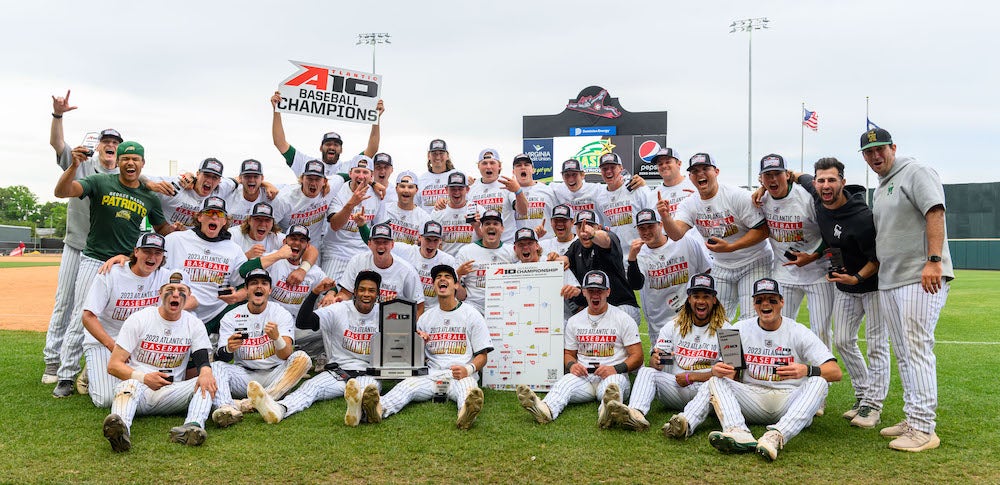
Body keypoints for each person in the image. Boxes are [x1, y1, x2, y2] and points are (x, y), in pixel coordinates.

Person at [52, 140, 172, 398]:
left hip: (128, 262)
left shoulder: (149, 196)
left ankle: (108, 368)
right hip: (95, 258)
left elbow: (163, 229)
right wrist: (73, 166)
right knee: (81, 316)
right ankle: (66, 375)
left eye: (136, 159)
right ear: (118, 161)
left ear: (143, 163)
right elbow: (61, 192)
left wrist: (193, 232)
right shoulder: (100, 182)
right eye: (125, 158)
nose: (130, 162)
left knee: (131, 318)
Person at [863, 127, 954, 452]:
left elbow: (935, 212)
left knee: (917, 349)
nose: (876, 156)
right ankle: (913, 417)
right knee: (903, 353)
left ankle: (924, 429)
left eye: (881, 149)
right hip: (890, 279)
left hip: (920, 276)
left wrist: (933, 260)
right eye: (869, 153)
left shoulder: (916, 171)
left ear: (893, 148)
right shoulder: (883, 186)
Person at [793, 158, 888, 428]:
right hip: (844, 285)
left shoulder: (862, 217)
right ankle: (862, 395)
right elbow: (799, 177)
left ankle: (873, 405)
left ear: (842, 183)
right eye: (821, 180)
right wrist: (769, 186)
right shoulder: (818, 194)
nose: (825, 185)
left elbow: (878, 259)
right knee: (844, 341)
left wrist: (856, 277)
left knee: (877, 345)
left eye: (831, 180)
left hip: (873, 287)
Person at [705, 278, 841, 462]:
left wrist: (806, 370)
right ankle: (738, 431)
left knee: (819, 381)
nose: (765, 304)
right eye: (760, 300)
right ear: (753, 304)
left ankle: (776, 435)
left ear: (781, 302)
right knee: (716, 379)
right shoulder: (737, 329)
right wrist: (721, 370)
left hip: (790, 401)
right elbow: (731, 374)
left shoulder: (798, 331)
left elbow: (835, 371)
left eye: (772, 300)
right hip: (753, 397)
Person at [100, 275, 240, 453]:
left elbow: (202, 359)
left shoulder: (194, 324)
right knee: (129, 385)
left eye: (182, 291)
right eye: (170, 290)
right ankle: (120, 430)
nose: (176, 295)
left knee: (205, 382)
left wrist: (205, 372)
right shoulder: (140, 319)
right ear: (160, 293)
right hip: (139, 390)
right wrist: (143, 377)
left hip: (172, 392)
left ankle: (192, 426)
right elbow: (113, 365)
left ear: (188, 295)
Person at [42, 90, 121, 385]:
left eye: (115, 143)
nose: (110, 146)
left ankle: (78, 365)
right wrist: (58, 115)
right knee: (64, 302)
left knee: (89, 309)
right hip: (76, 244)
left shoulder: (124, 175)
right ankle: (53, 361)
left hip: (103, 252)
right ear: (98, 146)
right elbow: (57, 143)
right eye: (106, 142)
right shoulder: (82, 162)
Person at [352, 264, 492, 429]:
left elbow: (483, 355)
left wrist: (468, 369)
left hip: (459, 376)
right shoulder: (426, 318)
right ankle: (377, 409)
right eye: (438, 277)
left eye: (447, 276)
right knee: (405, 387)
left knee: (469, 392)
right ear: (434, 286)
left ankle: (465, 415)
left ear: (456, 285)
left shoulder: (471, 314)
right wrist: (419, 343)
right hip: (431, 375)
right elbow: (411, 355)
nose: (442, 279)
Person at [248, 272, 383, 425]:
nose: (366, 294)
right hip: (338, 372)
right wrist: (314, 293)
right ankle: (279, 409)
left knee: (367, 393)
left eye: (371, 290)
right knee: (310, 387)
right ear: (354, 291)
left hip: (368, 373)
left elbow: (403, 336)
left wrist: (394, 306)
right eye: (362, 289)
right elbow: (303, 323)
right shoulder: (339, 310)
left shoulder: (385, 312)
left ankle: (356, 411)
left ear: (378, 293)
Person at [81, 233, 197, 408]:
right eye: (147, 251)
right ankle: (90, 372)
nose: (152, 257)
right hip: (108, 340)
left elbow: (193, 300)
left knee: (142, 387)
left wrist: (173, 307)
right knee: (105, 400)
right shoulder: (112, 273)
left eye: (158, 253)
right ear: (136, 252)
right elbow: (88, 316)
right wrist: (112, 346)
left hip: (141, 342)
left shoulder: (166, 276)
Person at [516, 270, 643, 425]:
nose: (595, 295)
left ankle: (606, 411)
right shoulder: (575, 320)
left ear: (608, 292)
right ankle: (545, 409)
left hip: (612, 374)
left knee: (613, 387)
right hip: (584, 377)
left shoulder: (623, 318)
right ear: (583, 292)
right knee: (564, 383)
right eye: (591, 291)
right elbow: (568, 353)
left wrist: (615, 368)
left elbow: (637, 356)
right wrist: (572, 365)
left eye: (600, 291)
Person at [658, 153, 772, 321]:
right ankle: (729, 349)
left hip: (753, 261)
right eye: (695, 171)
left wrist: (731, 247)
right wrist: (666, 217)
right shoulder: (690, 203)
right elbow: (676, 234)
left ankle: (748, 347)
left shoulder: (735, 195)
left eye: (705, 169)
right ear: (690, 176)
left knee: (750, 317)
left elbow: (763, 230)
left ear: (716, 171)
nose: (700, 174)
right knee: (716, 318)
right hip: (722, 264)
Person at [610, 274, 727, 434]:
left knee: (715, 385)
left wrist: (692, 377)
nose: (700, 301)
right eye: (696, 296)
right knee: (646, 371)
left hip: (707, 393)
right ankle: (635, 413)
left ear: (714, 299)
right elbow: (660, 362)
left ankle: (685, 423)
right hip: (676, 387)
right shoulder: (673, 325)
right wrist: (657, 361)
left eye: (706, 296)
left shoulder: (728, 330)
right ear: (689, 299)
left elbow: (732, 374)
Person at [754, 154, 834, 349]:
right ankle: (783, 373)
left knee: (821, 330)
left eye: (777, 174)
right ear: (761, 179)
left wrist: (813, 255)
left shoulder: (806, 198)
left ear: (788, 175)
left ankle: (824, 377)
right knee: (780, 326)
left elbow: (830, 231)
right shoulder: (760, 199)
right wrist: (761, 189)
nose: (773, 179)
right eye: (767, 175)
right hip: (784, 273)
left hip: (818, 272)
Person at [214, 269, 311, 414]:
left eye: (264, 283)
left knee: (302, 358)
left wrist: (277, 338)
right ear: (246, 290)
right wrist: (229, 349)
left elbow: (286, 354)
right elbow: (220, 357)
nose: (259, 286)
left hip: (275, 374)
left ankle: (259, 400)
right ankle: (226, 409)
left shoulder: (280, 313)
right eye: (253, 283)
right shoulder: (231, 317)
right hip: (245, 376)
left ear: (270, 290)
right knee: (216, 367)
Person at [238, 224, 329, 364]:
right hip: (269, 326)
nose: (297, 243)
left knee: (329, 326)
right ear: (284, 241)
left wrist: (330, 295)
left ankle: (304, 353)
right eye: (293, 238)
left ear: (307, 245)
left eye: (302, 240)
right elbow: (244, 270)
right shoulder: (273, 259)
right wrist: (279, 255)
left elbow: (329, 286)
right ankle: (289, 353)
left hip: (297, 326)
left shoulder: (312, 271)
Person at [163, 197, 248, 334]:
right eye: (209, 213)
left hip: (217, 311)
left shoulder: (233, 249)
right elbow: (151, 262)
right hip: (179, 307)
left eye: (219, 214)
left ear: (225, 221)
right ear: (200, 217)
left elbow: (248, 284)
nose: (214, 217)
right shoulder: (176, 239)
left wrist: (238, 296)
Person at [626, 209, 711, 344]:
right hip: (659, 322)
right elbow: (636, 284)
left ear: (660, 225)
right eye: (642, 228)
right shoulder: (639, 254)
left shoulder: (685, 241)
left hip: (691, 316)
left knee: (692, 359)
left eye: (650, 226)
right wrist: (632, 259)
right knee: (663, 363)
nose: (646, 231)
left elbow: (707, 271)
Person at [270, 90, 382, 178]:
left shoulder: (349, 167)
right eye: (328, 144)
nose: (332, 147)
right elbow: (280, 143)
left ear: (341, 150)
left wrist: (376, 119)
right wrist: (276, 110)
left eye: (336, 145)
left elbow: (372, 149)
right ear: (320, 148)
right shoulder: (305, 163)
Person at [563, 210, 641, 325]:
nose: (584, 230)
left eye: (590, 226)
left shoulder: (609, 237)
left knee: (606, 324)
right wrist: (559, 258)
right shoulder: (576, 246)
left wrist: (593, 234)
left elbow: (605, 240)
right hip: (598, 307)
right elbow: (565, 260)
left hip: (622, 305)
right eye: (580, 227)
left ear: (599, 227)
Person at [337, 223, 425, 317]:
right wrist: (336, 299)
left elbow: (419, 307)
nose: (381, 246)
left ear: (392, 244)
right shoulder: (357, 261)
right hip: (359, 318)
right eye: (377, 242)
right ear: (369, 244)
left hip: (391, 322)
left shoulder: (407, 271)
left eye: (385, 242)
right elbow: (345, 293)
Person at [324, 155, 385, 281]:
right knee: (326, 294)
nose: (361, 176)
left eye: (365, 172)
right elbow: (335, 225)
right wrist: (351, 204)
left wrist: (363, 226)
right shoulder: (339, 191)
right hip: (337, 252)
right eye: (357, 171)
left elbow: (380, 231)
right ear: (350, 173)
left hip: (363, 253)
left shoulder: (377, 195)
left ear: (372, 176)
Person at [594, 152, 652, 265]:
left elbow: (654, 217)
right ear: (600, 171)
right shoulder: (599, 198)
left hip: (642, 253)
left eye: (612, 167)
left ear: (621, 168)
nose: (609, 171)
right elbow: (601, 227)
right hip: (616, 257)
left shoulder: (637, 188)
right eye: (605, 168)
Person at [455, 209, 516, 314]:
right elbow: (460, 296)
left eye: (495, 223)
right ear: (481, 228)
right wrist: (458, 276)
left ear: (502, 229)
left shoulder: (512, 252)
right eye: (487, 223)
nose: (491, 226)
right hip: (474, 308)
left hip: (504, 306)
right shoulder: (466, 252)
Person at [391, 221, 460, 310]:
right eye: (428, 239)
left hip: (434, 310)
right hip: (408, 307)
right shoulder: (405, 251)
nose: (431, 244)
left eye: (435, 240)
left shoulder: (448, 260)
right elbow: (378, 245)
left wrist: (459, 275)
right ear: (420, 237)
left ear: (440, 241)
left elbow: (456, 293)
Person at [154, 158, 237, 229]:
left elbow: (237, 180)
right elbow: (142, 179)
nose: (209, 181)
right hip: (166, 239)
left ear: (219, 181)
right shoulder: (177, 185)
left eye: (215, 177)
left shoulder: (221, 188)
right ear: (197, 174)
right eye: (206, 175)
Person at [271, 160, 340, 247]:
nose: (313, 183)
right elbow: (268, 226)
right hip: (289, 246)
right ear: (302, 179)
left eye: (318, 179)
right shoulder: (284, 199)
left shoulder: (332, 187)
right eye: (309, 178)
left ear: (324, 181)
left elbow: (347, 175)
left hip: (313, 246)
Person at [467, 148, 528, 243]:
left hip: (506, 243)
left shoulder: (507, 184)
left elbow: (523, 211)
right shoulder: (471, 188)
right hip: (481, 244)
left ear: (499, 166)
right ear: (478, 166)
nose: (488, 167)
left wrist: (518, 191)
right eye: (484, 163)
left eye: (492, 163)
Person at [429, 172, 482, 257]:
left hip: (471, 261)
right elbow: (431, 241)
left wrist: (477, 228)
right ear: (446, 189)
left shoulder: (478, 210)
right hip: (446, 263)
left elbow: (488, 241)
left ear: (467, 189)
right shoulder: (438, 211)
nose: (456, 192)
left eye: (460, 188)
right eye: (453, 189)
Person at [511, 153, 557, 239]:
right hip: (520, 244)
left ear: (533, 170)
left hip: (546, 242)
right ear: (513, 172)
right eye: (518, 165)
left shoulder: (548, 190)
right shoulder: (509, 192)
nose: (523, 167)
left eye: (527, 165)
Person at [382, 170, 430, 246]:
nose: (406, 190)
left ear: (416, 190)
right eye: (402, 186)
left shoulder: (424, 217)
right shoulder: (384, 209)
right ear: (396, 188)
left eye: (410, 187)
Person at [650, 147, 696, 218]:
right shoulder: (653, 195)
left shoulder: (694, 185)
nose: (664, 166)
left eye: (668, 162)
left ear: (679, 164)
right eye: (660, 164)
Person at [226, 159, 272, 227]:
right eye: (247, 176)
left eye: (256, 176)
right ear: (240, 178)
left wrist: (268, 185)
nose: (251, 180)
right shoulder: (230, 194)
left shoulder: (269, 195)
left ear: (262, 178)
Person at [416, 139, 457, 212]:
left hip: (451, 221)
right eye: (434, 153)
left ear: (447, 156)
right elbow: (415, 206)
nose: (438, 157)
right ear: (429, 156)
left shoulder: (456, 176)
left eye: (441, 153)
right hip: (428, 222)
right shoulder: (421, 180)